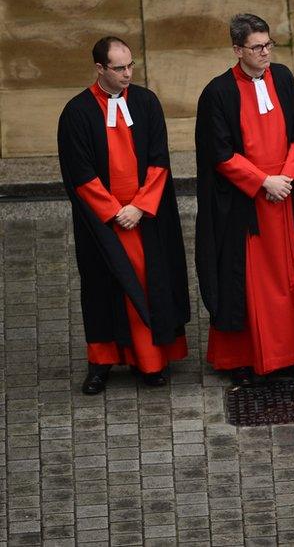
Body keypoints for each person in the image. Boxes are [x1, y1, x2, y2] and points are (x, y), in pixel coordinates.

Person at [195, 13, 294, 386]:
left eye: (268, 45)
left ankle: (292, 353)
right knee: (252, 283)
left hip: (286, 197)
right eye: (256, 47)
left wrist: (288, 178)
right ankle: (245, 359)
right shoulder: (218, 93)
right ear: (237, 49)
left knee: (290, 276)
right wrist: (263, 181)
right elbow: (220, 153)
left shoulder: (282, 77)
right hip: (248, 205)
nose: (265, 52)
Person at [57, 36, 190, 394]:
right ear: (100, 68)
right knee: (103, 289)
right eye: (119, 68)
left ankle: (150, 363)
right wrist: (115, 212)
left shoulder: (146, 103)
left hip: (145, 217)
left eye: (131, 65)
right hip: (103, 222)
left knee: (150, 287)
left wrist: (140, 206)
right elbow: (79, 174)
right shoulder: (77, 112)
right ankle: (101, 363)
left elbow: (160, 160)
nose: (128, 74)